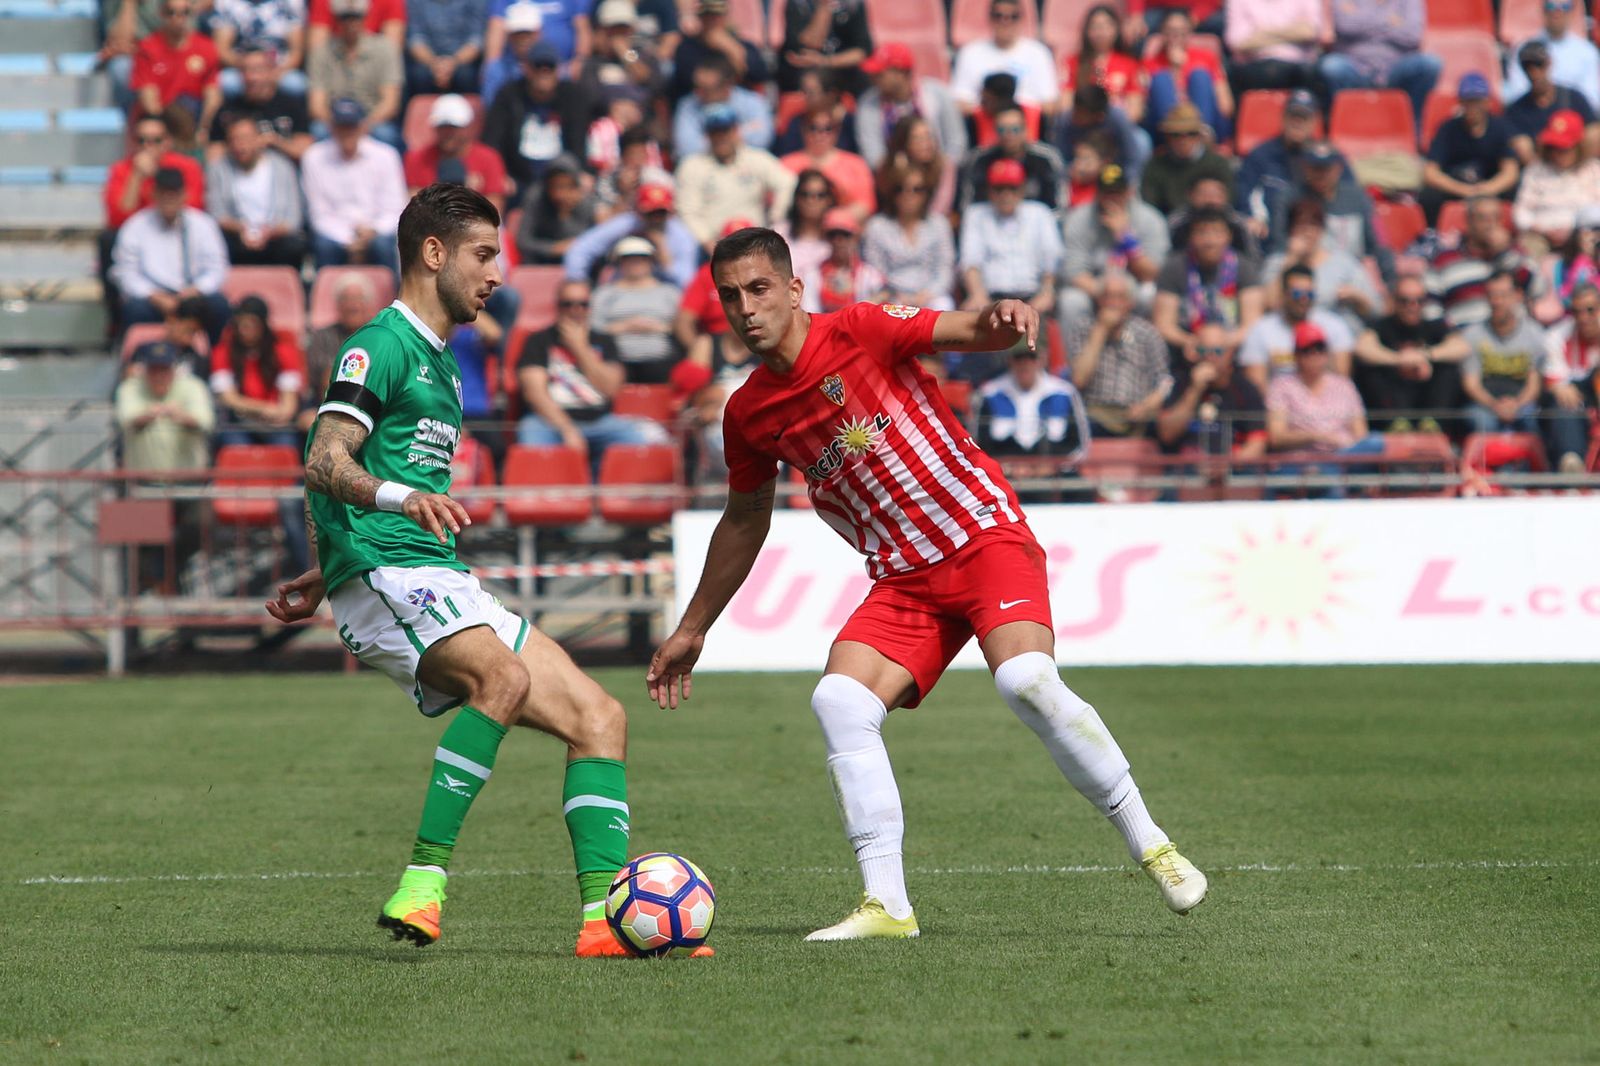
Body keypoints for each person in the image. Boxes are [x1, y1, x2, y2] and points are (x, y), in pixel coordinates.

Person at [647, 226, 1208, 941]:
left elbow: (969, 330)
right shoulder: (749, 412)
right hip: (904, 581)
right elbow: (743, 519)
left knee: (1026, 681)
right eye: (730, 296)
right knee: (839, 701)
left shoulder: (862, 327)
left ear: (794, 289)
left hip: (982, 537)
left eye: (759, 289)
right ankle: (888, 906)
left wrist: (1003, 320)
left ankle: (1153, 845)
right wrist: (694, 626)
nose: (746, 308)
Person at [266, 183, 696, 961]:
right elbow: (324, 458)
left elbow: (361, 478)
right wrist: (378, 523)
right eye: (484, 254)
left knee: (602, 719)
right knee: (501, 679)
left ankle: (604, 924)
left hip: (421, 572)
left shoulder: (446, 364)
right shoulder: (380, 344)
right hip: (389, 576)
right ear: (434, 254)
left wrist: (317, 564)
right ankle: (423, 881)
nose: (499, 273)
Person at [515, 277, 669, 458]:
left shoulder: (603, 341)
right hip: (550, 421)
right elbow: (535, 394)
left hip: (600, 421)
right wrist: (567, 429)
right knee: (531, 437)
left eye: (583, 304)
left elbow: (610, 388)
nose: (576, 310)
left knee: (637, 441)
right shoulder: (538, 341)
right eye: (568, 304)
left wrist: (580, 349)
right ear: (557, 306)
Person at [111, 167, 232, 345]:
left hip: (193, 295)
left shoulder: (203, 224)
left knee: (219, 306)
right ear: (153, 194)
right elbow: (125, 272)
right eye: (163, 193)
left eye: (174, 193)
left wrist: (197, 289)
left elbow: (217, 267)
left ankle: (214, 363)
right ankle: (142, 362)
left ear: (185, 195)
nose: (169, 199)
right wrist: (153, 295)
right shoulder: (135, 226)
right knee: (134, 309)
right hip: (154, 298)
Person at [1265, 322, 1384, 498]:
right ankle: (1329, 473)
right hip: (1300, 462)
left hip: (1343, 456)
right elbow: (1276, 437)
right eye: (1307, 350)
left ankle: (1330, 470)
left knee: (1375, 442)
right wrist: (1317, 436)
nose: (1315, 355)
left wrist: (1341, 447)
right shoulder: (1282, 386)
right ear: (1296, 355)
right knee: (1328, 479)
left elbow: (1361, 434)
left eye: (1320, 348)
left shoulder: (1344, 385)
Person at [301, 98, 407, 274]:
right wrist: (348, 239)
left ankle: (391, 299)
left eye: (352, 126)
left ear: (363, 126)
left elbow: (395, 209)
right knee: (324, 246)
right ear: (332, 128)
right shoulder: (313, 157)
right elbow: (318, 214)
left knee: (383, 245)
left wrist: (372, 230)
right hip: (335, 233)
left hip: (376, 230)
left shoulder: (386, 155)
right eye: (341, 127)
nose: (347, 132)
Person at [1059, 163, 1169, 330]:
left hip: (1134, 287)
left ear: (1129, 192)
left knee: (1150, 295)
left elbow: (1152, 273)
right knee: (1071, 301)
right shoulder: (1079, 219)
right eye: (1107, 193)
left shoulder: (1150, 219)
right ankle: (1075, 356)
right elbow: (1074, 272)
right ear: (1097, 193)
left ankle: (1147, 352)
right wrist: (1108, 294)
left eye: (1117, 193)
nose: (1112, 199)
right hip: (1095, 288)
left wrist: (1126, 237)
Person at [675, 104, 798, 253]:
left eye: (725, 131)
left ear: (735, 131)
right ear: (707, 135)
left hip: (755, 243)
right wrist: (708, 242)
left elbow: (788, 183)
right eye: (715, 132)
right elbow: (688, 211)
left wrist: (775, 219)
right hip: (713, 245)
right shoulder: (692, 166)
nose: (721, 137)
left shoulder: (756, 158)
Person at [1271, 140, 1395, 285]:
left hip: (1351, 277)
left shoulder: (1359, 199)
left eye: (1326, 168)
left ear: (1339, 168)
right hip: (1303, 277)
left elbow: (1379, 242)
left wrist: (1390, 281)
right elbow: (1277, 243)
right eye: (1315, 167)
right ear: (1305, 167)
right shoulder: (1289, 198)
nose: (1320, 174)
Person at [1352, 272, 1467, 428]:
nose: (1412, 307)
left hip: (1427, 397)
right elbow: (1362, 348)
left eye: (1418, 301)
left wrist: (1425, 355)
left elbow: (1461, 347)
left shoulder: (1434, 326)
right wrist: (1399, 360)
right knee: (1370, 370)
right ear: (1394, 301)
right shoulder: (1381, 325)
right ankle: (1395, 424)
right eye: (1404, 301)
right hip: (1393, 400)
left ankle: (1433, 424)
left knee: (1449, 370)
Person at [1152, 206, 1265, 363]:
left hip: (1233, 352)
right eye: (1202, 233)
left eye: (1217, 233)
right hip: (1185, 350)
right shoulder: (1175, 267)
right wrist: (1191, 342)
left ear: (1229, 236)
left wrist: (1219, 345)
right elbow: (1163, 324)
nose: (1210, 241)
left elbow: (1252, 323)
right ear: (1191, 237)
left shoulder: (1244, 267)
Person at [1066, 269, 1170, 437]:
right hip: (1094, 416)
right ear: (1099, 300)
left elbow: (1165, 381)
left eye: (1120, 297)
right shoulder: (1083, 330)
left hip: (1137, 415)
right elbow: (1079, 379)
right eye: (1108, 296)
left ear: (1130, 302)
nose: (1113, 303)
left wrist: (1147, 405)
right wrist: (1101, 330)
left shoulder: (1147, 334)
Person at [482, 40, 591, 195]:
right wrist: (500, 174)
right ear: (526, 69)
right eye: (538, 66)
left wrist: (582, 172)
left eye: (549, 67)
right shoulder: (509, 95)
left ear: (558, 70)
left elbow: (578, 139)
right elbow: (493, 139)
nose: (543, 72)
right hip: (518, 177)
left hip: (562, 178)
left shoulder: (572, 96)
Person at [1260, 197, 1381, 335]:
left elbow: (1377, 309)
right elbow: (1269, 304)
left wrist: (1356, 296)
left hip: (1340, 337)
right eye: (1300, 226)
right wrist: (1291, 258)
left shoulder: (1344, 263)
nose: (1307, 232)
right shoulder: (1277, 262)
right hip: (1291, 337)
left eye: (1313, 226)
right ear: (1290, 231)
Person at [958, 159, 1062, 319]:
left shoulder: (1040, 212)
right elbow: (970, 261)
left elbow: (1051, 259)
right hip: (991, 299)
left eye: (1012, 188)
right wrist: (977, 295)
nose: (1006, 195)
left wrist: (1046, 293)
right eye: (999, 188)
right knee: (970, 311)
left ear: (1023, 189)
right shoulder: (976, 214)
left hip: (1032, 297)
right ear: (989, 190)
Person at [1234, 89, 1341, 240]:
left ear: (1314, 122)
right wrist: (1251, 217)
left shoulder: (1326, 158)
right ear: (1283, 118)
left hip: (1316, 235)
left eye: (1303, 117)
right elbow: (1243, 195)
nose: (1297, 122)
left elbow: (1346, 193)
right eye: (1293, 116)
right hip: (1268, 236)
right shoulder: (1260, 155)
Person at [1155, 319, 1269, 459]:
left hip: (1231, 471)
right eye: (1204, 350)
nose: (1211, 357)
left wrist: (1225, 464)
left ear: (1229, 353)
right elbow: (1167, 434)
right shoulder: (1181, 382)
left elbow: (1257, 443)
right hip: (1185, 472)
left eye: (1217, 351)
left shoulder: (1245, 388)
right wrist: (1195, 390)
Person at [206, 113, 306, 268]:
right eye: (235, 139)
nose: (241, 145)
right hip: (237, 235)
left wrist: (269, 233)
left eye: (246, 138)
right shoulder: (219, 169)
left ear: (259, 139)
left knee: (295, 245)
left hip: (274, 237)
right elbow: (217, 214)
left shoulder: (282, 166)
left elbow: (293, 218)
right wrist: (241, 229)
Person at [1421, 73, 1521, 227]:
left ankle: (1510, 231)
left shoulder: (1500, 127)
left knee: (1516, 189)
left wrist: (1488, 189)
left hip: (1490, 185)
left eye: (1477, 101)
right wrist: (1464, 190)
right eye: (1468, 101)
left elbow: (1510, 171)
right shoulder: (1448, 129)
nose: (1473, 107)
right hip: (1457, 185)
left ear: (1487, 102)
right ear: (1460, 102)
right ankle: (1433, 234)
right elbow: (1431, 172)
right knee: (1429, 195)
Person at [1237, 262, 1356, 389]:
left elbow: (1342, 381)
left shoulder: (1334, 326)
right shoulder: (1261, 331)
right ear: (1283, 294)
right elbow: (1257, 385)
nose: (1303, 299)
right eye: (1297, 294)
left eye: (1309, 294)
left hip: (1326, 405)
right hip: (1278, 405)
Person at [1316, 0, 1436, 125]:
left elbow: (1413, 35)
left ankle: (1413, 129)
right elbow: (1345, 25)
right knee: (1331, 66)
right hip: (1354, 67)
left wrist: (1364, 21)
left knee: (1429, 64)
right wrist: (1391, 23)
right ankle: (1341, 125)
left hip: (1396, 69)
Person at [563, 181, 700, 289]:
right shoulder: (626, 223)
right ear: (638, 211)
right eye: (650, 213)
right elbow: (581, 249)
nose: (656, 218)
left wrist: (663, 253)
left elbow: (685, 283)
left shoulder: (682, 237)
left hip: (663, 296)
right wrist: (577, 281)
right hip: (620, 290)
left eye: (661, 213)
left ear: (670, 213)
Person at [1459, 270, 1546, 436]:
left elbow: (1534, 384)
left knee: (1532, 418)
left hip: (1523, 403)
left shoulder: (1534, 333)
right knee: (1480, 420)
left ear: (1518, 295)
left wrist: (1516, 405)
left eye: (1503, 295)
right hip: (1484, 404)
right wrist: (1494, 405)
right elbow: (1471, 384)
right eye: (1491, 295)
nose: (1496, 301)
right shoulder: (1472, 335)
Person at [307, 0, 403, 150]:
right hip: (336, 118)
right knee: (318, 130)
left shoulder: (384, 49)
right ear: (337, 20)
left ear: (365, 17)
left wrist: (365, 125)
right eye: (345, 18)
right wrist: (338, 126)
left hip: (370, 118)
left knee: (386, 134)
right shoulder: (322, 52)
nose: (350, 23)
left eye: (356, 17)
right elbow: (317, 105)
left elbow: (390, 103)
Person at [210, 294, 305, 444]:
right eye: (240, 324)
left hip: (277, 425)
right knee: (235, 446)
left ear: (263, 325)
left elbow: (288, 406)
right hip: (238, 424)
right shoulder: (223, 353)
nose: (244, 330)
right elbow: (228, 398)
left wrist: (275, 413)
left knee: (286, 445)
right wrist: (263, 409)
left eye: (251, 324)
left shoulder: (283, 352)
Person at [855, 42, 966, 170]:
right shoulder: (868, 104)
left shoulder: (937, 94)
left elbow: (956, 144)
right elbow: (873, 155)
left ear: (901, 73)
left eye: (880, 74)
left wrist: (936, 173)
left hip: (940, 172)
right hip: (892, 178)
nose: (873, 79)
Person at [589, 236, 684, 384]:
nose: (635, 263)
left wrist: (658, 327)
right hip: (617, 361)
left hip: (661, 359)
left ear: (651, 261)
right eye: (628, 258)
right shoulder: (604, 294)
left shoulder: (670, 293)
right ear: (619, 262)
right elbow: (593, 327)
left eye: (642, 258)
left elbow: (682, 325)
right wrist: (623, 327)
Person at [1427, 196, 1532, 329]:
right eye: (1483, 219)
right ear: (1468, 222)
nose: (1490, 225)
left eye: (1496, 218)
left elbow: (1536, 289)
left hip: (1511, 340)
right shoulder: (1445, 260)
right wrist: (1447, 334)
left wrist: (1504, 253)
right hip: (1463, 340)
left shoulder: (1515, 255)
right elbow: (1430, 307)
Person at [861, 164, 957, 310]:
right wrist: (897, 295)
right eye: (901, 189)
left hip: (930, 295)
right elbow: (875, 270)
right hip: (891, 296)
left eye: (916, 189)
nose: (909, 195)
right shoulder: (877, 226)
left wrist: (928, 294)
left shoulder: (939, 224)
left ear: (926, 193)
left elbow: (944, 267)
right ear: (892, 193)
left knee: (944, 305)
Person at [117, 340, 216, 473]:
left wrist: (181, 416)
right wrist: (149, 415)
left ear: (174, 369)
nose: (159, 376)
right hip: (142, 480)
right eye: (154, 370)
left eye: (164, 369)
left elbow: (206, 421)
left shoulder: (194, 386)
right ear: (144, 370)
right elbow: (125, 420)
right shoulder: (130, 388)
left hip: (188, 479)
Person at [976, 345, 1089, 458]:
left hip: (1055, 470)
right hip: (1004, 469)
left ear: (1042, 360)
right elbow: (980, 443)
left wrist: (1053, 467)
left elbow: (1080, 445)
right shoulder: (990, 393)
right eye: (1018, 358)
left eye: (1031, 357)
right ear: (1010, 361)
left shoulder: (1065, 393)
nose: (1025, 364)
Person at [403, 94, 509, 213]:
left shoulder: (489, 158)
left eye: (454, 127)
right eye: (442, 127)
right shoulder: (418, 158)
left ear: (468, 127)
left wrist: (468, 196)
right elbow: (413, 206)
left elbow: (495, 209)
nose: (448, 133)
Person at [208, 44, 313, 162]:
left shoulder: (290, 105)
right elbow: (213, 153)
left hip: (283, 172)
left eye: (257, 69)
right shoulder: (228, 110)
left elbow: (306, 150)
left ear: (272, 71)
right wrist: (242, 144)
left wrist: (274, 141)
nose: (251, 77)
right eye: (245, 70)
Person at [950, 0, 1058, 115]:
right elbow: (959, 101)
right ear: (990, 18)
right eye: (998, 16)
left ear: (1022, 19)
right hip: (983, 124)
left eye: (1013, 17)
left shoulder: (1039, 53)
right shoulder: (970, 52)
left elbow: (1050, 103)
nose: (1005, 22)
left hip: (1027, 126)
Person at [1513, 110, 1600, 253]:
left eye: (1564, 149)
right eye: (1554, 148)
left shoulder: (1593, 170)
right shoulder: (1535, 171)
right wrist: (1540, 229)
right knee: (1527, 249)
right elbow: (1521, 212)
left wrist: (1574, 229)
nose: (1557, 154)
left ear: (1579, 147)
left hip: (1582, 232)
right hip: (1541, 232)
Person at [1143, 8, 1232, 143]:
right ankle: (1176, 136)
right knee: (1161, 79)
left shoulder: (1207, 57)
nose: (1176, 36)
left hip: (1208, 123)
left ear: (1190, 32)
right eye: (1170, 31)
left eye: (1181, 32)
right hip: (1165, 127)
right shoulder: (1150, 63)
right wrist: (1174, 70)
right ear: (1162, 32)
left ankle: (1201, 135)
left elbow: (1226, 106)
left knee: (1199, 75)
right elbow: (1143, 106)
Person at [131, 0, 222, 132]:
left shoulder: (206, 47)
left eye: (184, 13)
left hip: (194, 118)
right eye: (171, 13)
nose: (178, 18)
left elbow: (212, 93)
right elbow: (148, 98)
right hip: (162, 119)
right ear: (162, 14)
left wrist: (204, 127)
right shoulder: (147, 48)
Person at [957, 104, 1068, 212]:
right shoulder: (979, 160)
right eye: (1002, 130)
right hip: (990, 225)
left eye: (1015, 129)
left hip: (1038, 226)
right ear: (995, 131)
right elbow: (968, 207)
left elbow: (1059, 207)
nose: (1008, 135)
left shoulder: (1047, 159)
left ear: (1025, 130)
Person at [1505, 41, 1598, 166]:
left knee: (1594, 133)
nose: (1534, 72)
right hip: (1541, 170)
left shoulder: (1573, 97)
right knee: (1521, 144)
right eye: (1528, 67)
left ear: (1549, 63)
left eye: (1539, 65)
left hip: (1576, 167)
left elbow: (1593, 130)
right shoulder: (1516, 109)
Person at [1501, 0, 1600, 114]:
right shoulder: (1524, 49)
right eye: (1551, 6)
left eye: (1565, 6)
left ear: (1572, 12)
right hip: (1533, 114)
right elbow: (1516, 92)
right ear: (1543, 10)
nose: (1557, 12)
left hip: (1573, 117)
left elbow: (1591, 97)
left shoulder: (1587, 52)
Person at [304, 272, 379, 421]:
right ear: (337, 305)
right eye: (346, 299)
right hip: (328, 405)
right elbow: (326, 382)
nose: (352, 305)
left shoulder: (379, 338)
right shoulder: (322, 337)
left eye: (358, 299)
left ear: (369, 305)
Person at [1542, 281, 1600, 470]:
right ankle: (1571, 462)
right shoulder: (1557, 335)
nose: (1584, 318)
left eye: (1590, 310)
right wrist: (1560, 387)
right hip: (1577, 403)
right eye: (1577, 312)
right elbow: (1554, 381)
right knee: (1563, 405)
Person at [780, 107, 876, 222]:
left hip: (841, 231)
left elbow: (866, 204)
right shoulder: (785, 164)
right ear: (803, 129)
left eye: (828, 128)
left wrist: (833, 220)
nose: (820, 134)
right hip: (795, 230)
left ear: (837, 131)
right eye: (813, 128)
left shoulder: (856, 164)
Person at [665, 0, 770, 104]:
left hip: (736, 104)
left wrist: (732, 49)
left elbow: (760, 74)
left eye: (716, 16)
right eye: (707, 16)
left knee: (755, 103)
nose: (712, 21)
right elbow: (688, 79)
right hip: (700, 104)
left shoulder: (743, 45)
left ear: (725, 17)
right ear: (700, 18)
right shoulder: (687, 47)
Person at [672, 53, 774, 159]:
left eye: (705, 89)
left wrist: (709, 141)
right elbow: (686, 149)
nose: (698, 93)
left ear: (727, 86)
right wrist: (736, 136)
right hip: (704, 166)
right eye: (696, 87)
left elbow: (761, 140)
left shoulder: (753, 102)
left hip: (748, 164)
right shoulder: (688, 105)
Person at [1140, 102, 1232, 216]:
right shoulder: (1155, 166)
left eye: (1191, 133)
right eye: (1176, 135)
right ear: (1167, 137)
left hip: (1214, 222)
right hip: (1168, 226)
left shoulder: (1218, 164)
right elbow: (1150, 206)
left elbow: (1230, 200)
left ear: (1199, 136)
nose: (1184, 140)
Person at [1059, 4, 1145, 126]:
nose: (1101, 32)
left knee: (1141, 140)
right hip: (1081, 124)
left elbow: (1135, 110)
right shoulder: (1073, 62)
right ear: (1087, 31)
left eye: (1106, 26)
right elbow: (1065, 105)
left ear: (1116, 29)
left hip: (1116, 128)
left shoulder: (1129, 64)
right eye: (1095, 27)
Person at [211, 0, 308, 98]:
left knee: (295, 83)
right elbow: (222, 50)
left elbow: (296, 52)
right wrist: (251, 70)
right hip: (242, 66)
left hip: (279, 67)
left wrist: (272, 73)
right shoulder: (227, 2)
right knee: (227, 82)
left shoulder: (291, 2)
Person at [1224, 0, 1323, 95]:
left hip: (1299, 66)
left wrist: (1261, 33)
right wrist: (1292, 32)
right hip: (1253, 67)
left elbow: (1310, 32)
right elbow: (1237, 42)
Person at [514, 154, 597, 265]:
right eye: (556, 186)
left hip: (575, 260)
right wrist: (553, 248)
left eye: (566, 186)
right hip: (540, 262)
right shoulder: (536, 198)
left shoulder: (584, 201)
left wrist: (565, 214)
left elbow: (590, 241)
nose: (560, 194)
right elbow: (523, 241)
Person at [801, 209, 888, 313]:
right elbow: (810, 311)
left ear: (855, 237)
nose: (838, 240)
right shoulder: (812, 274)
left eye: (845, 235)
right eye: (833, 235)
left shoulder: (871, 276)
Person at [778, 0, 872, 97]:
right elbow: (812, 42)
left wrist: (826, 61)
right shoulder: (798, 4)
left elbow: (862, 51)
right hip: (808, 80)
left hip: (846, 79)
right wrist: (825, 6)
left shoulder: (853, 4)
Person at [878, 114, 958, 217]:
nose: (926, 144)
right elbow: (889, 205)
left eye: (928, 136)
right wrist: (900, 174)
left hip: (932, 224)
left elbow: (941, 207)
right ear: (903, 142)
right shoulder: (889, 166)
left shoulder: (945, 165)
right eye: (918, 138)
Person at [404, 0, 485, 96]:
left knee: (466, 75)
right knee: (418, 75)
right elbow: (415, 38)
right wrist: (433, 63)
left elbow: (476, 39)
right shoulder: (414, 2)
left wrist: (453, 63)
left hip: (463, 59)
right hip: (427, 59)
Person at [774, 169, 837, 284]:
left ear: (829, 200)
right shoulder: (778, 233)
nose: (812, 200)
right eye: (805, 194)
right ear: (797, 198)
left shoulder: (838, 236)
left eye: (820, 195)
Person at [479, 2, 541, 108]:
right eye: (517, 34)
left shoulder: (549, 68)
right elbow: (492, 108)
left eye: (527, 33)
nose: (523, 39)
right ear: (509, 36)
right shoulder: (496, 70)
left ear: (538, 34)